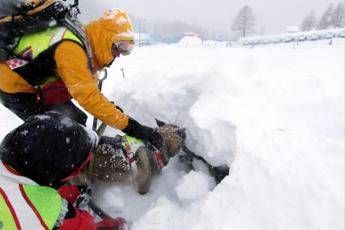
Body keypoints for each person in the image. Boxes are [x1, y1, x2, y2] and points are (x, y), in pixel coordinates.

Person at [0, 6, 162, 149]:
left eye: (127, 49)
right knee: (61, 132)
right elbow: (88, 97)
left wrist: (109, 109)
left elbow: (86, 85)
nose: (120, 54)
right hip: (14, 87)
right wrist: (132, 127)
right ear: (105, 37)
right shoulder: (72, 48)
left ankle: (80, 158)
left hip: (39, 82)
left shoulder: (83, 38)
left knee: (78, 120)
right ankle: (58, 175)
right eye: (121, 46)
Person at [0, 112, 128, 230]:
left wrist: (73, 191)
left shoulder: (17, 160)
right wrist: (101, 227)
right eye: (78, 167)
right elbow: (81, 225)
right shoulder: (45, 214)